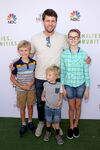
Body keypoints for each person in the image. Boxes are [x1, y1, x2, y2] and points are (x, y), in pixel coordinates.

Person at [10, 9, 91, 137]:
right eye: (48, 20)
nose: (50, 23)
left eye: (53, 21)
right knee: (41, 102)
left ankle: (55, 123)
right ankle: (42, 122)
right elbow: (29, 55)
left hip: (56, 78)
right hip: (39, 77)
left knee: (55, 103)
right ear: (43, 21)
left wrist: (87, 58)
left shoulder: (62, 38)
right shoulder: (35, 38)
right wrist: (16, 61)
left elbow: (71, 53)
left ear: (56, 22)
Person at [60, 29, 90, 140]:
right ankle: (71, 126)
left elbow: (86, 71)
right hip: (68, 85)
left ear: (79, 39)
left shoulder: (84, 54)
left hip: (81, 85)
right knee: (71, 107)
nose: (73, 39)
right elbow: (62, 71)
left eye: (76, 37)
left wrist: (87, 88)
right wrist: (62, 88)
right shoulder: (64, 54)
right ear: (68, 39)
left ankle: (76, 125)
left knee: (78, 106)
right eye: (71, 37)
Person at [10, 40, 36, 137]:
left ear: (29, 51)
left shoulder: (34, 62)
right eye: (21, 50)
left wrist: (31, 83)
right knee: (22, 107)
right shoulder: (16, 64)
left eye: (26, 50)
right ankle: (23, 124)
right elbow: (12, 78)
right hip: (21, 90)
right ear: (18, 51)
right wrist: (22, 86)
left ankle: (30, 121)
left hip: (31, 89)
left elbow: (34, 75)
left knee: (30, 106)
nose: (24, 53)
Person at [41, 65, 64, 145]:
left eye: (50, 75)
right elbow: (44, 91)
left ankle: (57, 134)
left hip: (57, 107)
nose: (47, 76)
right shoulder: (45, 84)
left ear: (56, 76)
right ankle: (48, 132)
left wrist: (60, 101)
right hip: (48, 107)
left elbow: (61, 94)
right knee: (48, 120)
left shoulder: (59, 85)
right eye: (47, 74)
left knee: (56, 121)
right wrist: (42, 96)